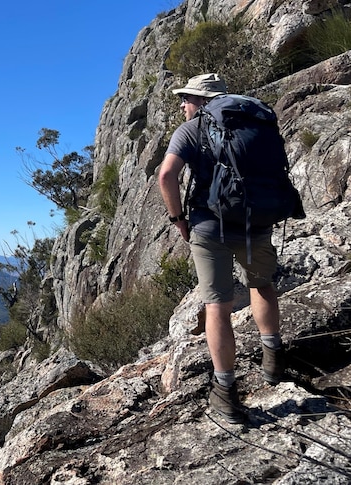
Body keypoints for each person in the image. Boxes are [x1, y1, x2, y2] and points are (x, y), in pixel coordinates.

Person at [158, 73, 285, 424]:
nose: (182, 105)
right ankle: (273, 361)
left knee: (218, 305)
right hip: (256, 218)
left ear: (200, 100)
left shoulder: (191, 129)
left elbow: (166, 175)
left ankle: (226, 393)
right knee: (262, 284)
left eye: (186, 98)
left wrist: (177, 219)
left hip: (209, 225)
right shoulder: (254, 121)